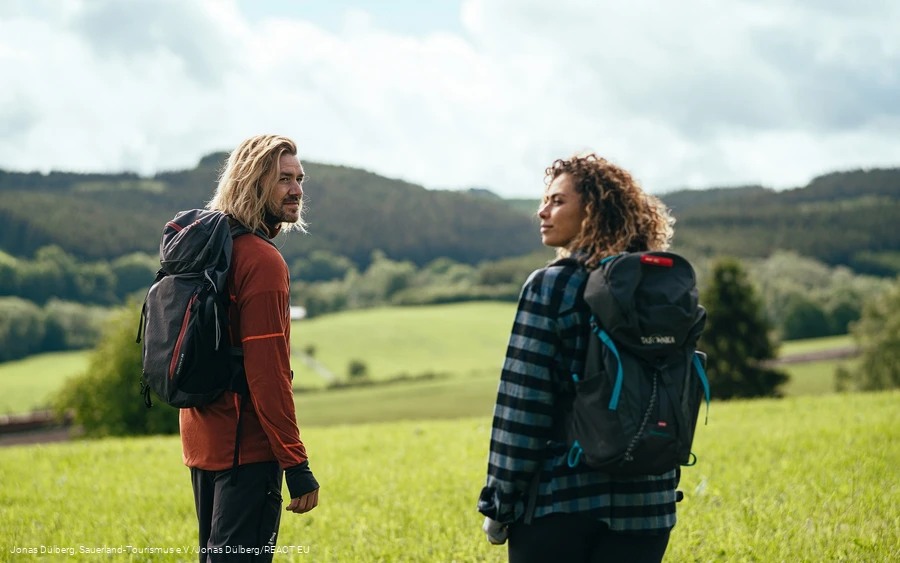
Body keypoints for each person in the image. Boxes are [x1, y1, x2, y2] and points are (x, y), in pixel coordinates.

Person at [478, 153, 677, 563]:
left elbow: (523, 405)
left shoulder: (553, 285)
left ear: (594, 210)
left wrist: (499, 504)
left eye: (556, 201)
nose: (542, 210)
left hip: (561, 503)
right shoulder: (661, 284)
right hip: (650, 505)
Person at [181, 134, 319, 562]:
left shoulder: (208, 249)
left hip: (203, 443)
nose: (297, 189)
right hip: (247, 451)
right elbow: (268, 374)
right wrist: (297, 465)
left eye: (299, 178)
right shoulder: (262, 260)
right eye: (283, 179)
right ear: (253, 183)